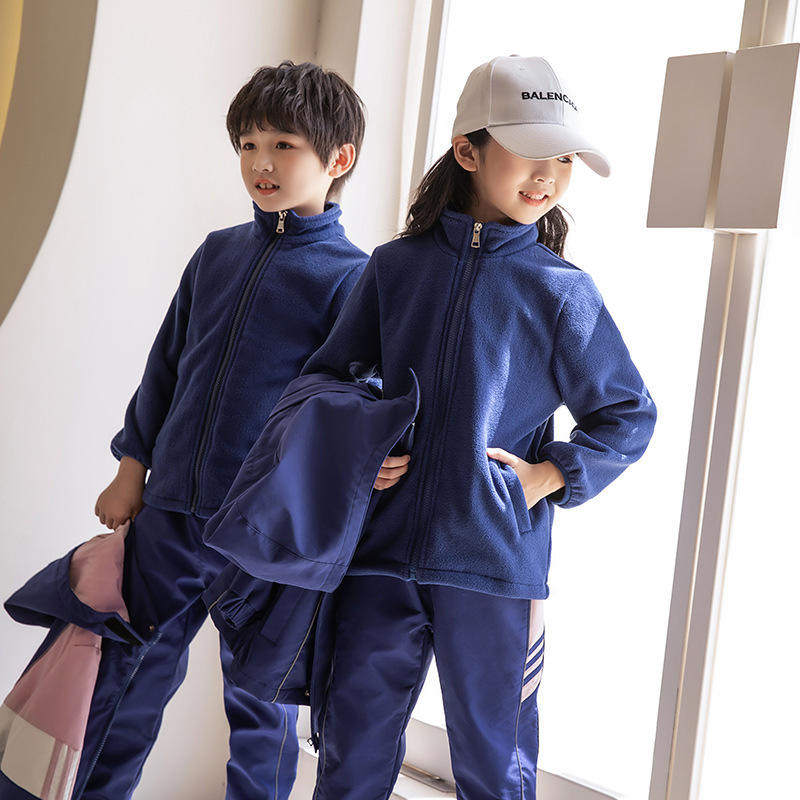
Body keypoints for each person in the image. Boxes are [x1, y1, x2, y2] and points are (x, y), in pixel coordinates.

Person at [299, 55, 658, 798]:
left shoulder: (561, 291)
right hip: (377, 556)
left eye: (565, 159)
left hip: (495, 565)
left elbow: (627, 412)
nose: (549, 174)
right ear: (468, 151)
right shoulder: (394, 269)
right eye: (531, 151)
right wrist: (359, 448)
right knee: (350, 753)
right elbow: (326, 380)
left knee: (496, 767)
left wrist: (548, 476)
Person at [75, 60, 368, 800]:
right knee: (125, 681)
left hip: (263, 534)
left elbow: (353, 404)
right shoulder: (216, 253)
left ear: (339, 159)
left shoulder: (353, 278)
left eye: (283, 146)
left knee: (261, 705)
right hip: (171, 513)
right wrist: (131, 468)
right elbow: (166, 367)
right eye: (248, 145)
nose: (261, 163)